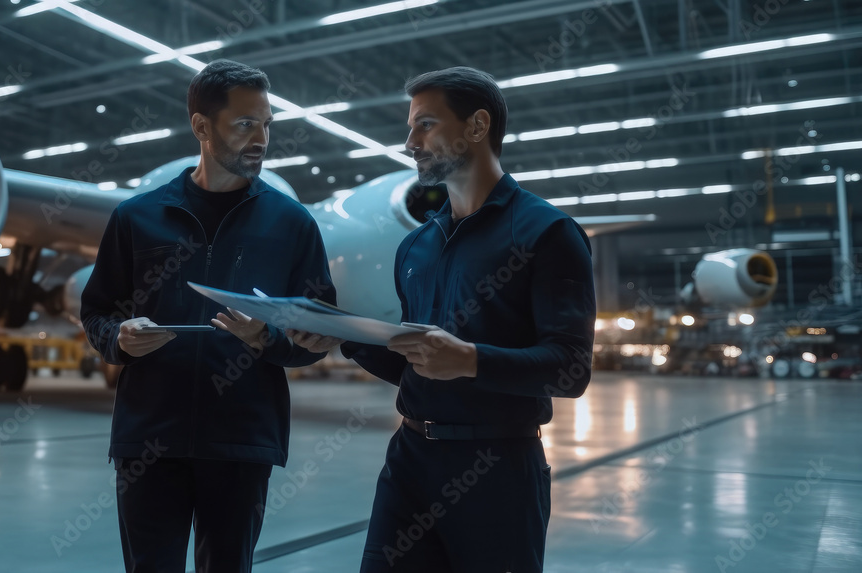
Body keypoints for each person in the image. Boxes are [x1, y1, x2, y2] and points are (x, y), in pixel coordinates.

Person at [290, 67, 596, 572]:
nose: (410, 142)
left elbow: (570, 370)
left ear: (477, 127)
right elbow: (419, 364)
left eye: (425, 125)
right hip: (409, 459)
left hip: (498, 469)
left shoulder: (548, 234)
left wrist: (470, 360)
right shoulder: (417, 245)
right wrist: (341, 336)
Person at [80, 59, 336, 573]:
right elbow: (98, 311)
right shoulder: (138, 217)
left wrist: (266, 338)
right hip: (149, 439)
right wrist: (119, 340)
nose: (261, 137)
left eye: (267, 123)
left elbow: (318, 332)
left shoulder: (292, 224)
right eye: (245, 124)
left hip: (242, 440)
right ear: (201, 126)